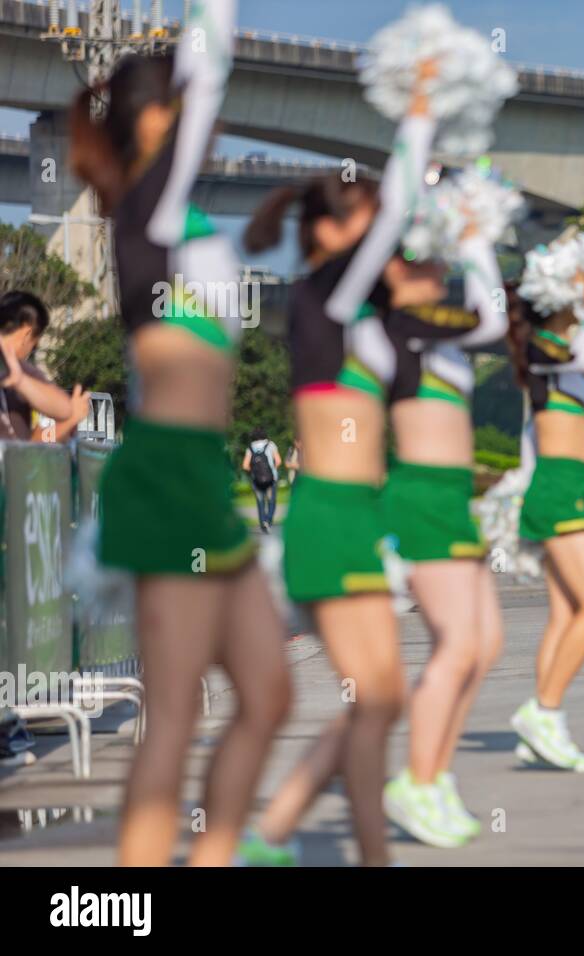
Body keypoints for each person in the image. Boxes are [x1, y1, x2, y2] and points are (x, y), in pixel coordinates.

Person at [68, 0, 291, 866]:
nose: (210, 119)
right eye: (184, 106)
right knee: (174, 714)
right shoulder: (143, 217)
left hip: (205, 478)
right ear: (149, 119)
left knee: (267, 694)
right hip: (165, 477)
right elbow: (207, 77)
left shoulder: (181, 225)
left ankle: (215, 854)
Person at [236, 62, 437, 867]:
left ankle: (305, 838)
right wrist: (418, 119)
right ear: (327, 235)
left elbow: (407, 260)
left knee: (380, 701)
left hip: (362, 515)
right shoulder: (322, 297)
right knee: (377, 698)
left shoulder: (364, 320)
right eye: (358, 228)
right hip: (327, 515)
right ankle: (274, 832)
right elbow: (390, 225)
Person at [379, 205, 507, 848]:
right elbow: (494, 319)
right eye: (426, 260)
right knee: (457, 645)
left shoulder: (439, 330)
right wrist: (477, 240)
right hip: (420, 498)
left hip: (453, 498)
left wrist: (474, 243)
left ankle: (434, 774)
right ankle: (415, 782)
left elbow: (492, 318)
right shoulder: (396, 328)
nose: (438, 271)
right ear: (395, 268)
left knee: (484, 645)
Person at [504, 268, 584, 772]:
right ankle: (543, 711)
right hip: (559, 491)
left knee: (567, 613)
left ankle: (542, 730)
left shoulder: (563, 359)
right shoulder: (542, 350)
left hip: (570, 492)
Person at [0, 291, 78, 442]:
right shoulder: (19, 368)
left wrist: (20, 381)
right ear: (27, 332)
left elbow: (63, 410)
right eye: (35, 342)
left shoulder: (18, 370)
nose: (33, 347)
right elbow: (65, 410)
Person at [242, 428, 282, 532]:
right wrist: (272, 470)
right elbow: (278, 461)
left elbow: (245, 465)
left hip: (256, 480)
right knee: (271, 501)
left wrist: (254, 472)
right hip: (271, 479)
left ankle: (263, 523)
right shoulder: (270, 445)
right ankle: (268, 521)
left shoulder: (250, 447)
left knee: (260, 502)